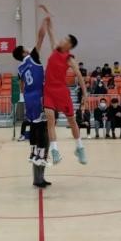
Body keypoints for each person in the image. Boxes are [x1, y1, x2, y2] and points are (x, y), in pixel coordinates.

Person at [13, 10, 51, 187]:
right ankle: (40, 157)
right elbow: (41, 37)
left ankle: (34, 152)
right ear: (23, 52)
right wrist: (45, 22)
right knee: (43, 129)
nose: (29, 48)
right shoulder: (31, 57)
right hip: (38, 96)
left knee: (35, 126)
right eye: (26, 48)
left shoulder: (20, 68)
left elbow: (21, 86)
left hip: (28, 98)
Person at [42, 17, 88, 165]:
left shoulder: (69, 58)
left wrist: (85, 93)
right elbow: (51, 33)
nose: (62, 40)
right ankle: (55, 151)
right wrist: (48, 21)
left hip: (61, 92)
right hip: (48, 90)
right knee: (50, 119)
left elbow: (79, 75)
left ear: (69, 45)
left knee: (72, 121)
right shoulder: (55, 49)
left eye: (65, 39)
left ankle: (79, 148)